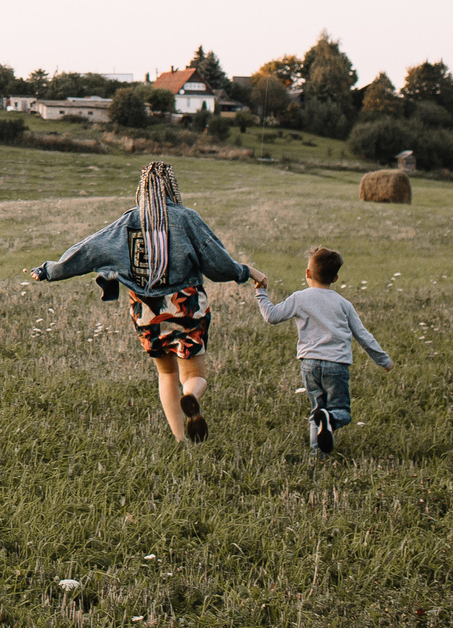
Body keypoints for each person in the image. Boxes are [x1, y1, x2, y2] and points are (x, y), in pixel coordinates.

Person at [29, 161, 262, 443]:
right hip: (184, 303)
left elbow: (89, 250)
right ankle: (191, 397)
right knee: (193, 374)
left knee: (165, 373)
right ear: (171, 187)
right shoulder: (186, 218)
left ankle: (180, 440)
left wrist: (49, 270)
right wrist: (245, 272)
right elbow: (216, 260)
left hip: (145, 310)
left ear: (141, 189)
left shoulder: (128, 221)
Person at [252, 245, 391, 455]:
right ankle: (330, 420)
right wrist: (383, 360)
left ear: (308, 273)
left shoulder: (300, 298)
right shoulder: (344, 304)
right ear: (335, 278)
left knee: (317, 410)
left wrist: (260, 292)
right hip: (336, 364)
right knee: (341, 412)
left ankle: (317, 456)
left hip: (309, 364)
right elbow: (363, 336)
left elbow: (271, 316)